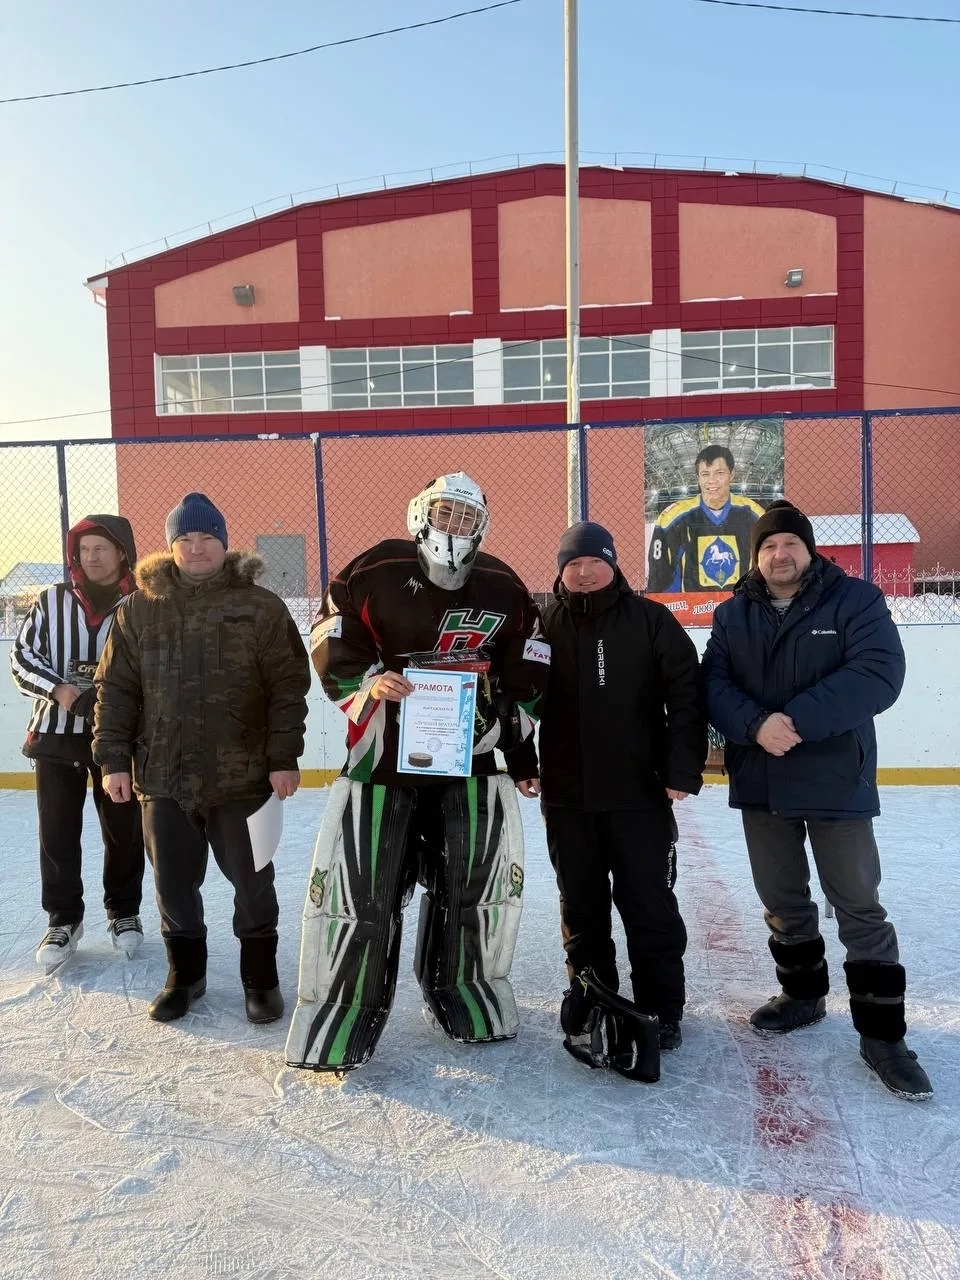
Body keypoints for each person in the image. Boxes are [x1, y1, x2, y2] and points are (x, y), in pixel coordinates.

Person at [285, 472, 548, 1074]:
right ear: (419, 513)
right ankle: (344, 1005)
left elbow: (529, 666)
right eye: (445, 512)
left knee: (472, 884)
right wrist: (368, 681)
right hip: (383, 757)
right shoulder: (375, 569)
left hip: (470, 759)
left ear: (480, 524)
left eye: (465, 516)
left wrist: (514, 738)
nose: (453, 526)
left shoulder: (504, 586)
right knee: (363, 885)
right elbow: (331, 634)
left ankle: (464, 988)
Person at [702, 500, 932, 1101]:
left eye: (790, 545)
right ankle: (802, 994)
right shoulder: (733, 615)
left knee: (857, 901)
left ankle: (883, 1035)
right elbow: (713, 686)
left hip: (835, 777)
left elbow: (879, 673)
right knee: (781, 897)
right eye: (769, 547)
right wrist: (755, 727)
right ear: (757, 557)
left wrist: (794, 722)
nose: (780, 555)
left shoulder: (854, 600)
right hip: (764, 779)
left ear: (809, 551)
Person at [92, 493, 311, 1025]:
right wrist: (112, 760)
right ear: (170, 546)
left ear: (223, 541)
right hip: (163, 777)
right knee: (172, 883)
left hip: (244, 777)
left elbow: (288, 687)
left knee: (253, 881)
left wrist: (283, 757)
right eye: (185, 539)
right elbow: (115, 691)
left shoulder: (261, 606)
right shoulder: (139, 610)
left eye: (206, 538)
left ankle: (261, 980)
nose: (196, 548)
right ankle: (184, 976)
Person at [516, 521, 707, 1078]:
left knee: (648, 906)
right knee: (581, 907)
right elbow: (516, 699)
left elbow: (687, 694)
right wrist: (524, 763)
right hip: (568, 799)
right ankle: (593, 997)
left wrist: (680, 769)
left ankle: (662, 1007)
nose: (582, 571)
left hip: (639, 795)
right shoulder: (541, 625)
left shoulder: (650, 621)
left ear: (613, 563)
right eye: (571, 563)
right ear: (560, 569)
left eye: (592, 561)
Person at [11, 515, 145, 973]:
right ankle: (64, 918)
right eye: (84, 549)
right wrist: (60, 690)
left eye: (101, 549)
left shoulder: (141, 604)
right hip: (55, 737)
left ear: (122, 553)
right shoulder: (51, 601)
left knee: (124, 829)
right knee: (58, 831)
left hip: (120, 739)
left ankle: (124, 911)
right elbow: (22, 657)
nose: (91, 557)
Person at [647, 444, 766, 592]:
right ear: (698, 478)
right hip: (691, 611)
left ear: (732, 474)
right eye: (705, 474)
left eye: (719, 473)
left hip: (743, 609)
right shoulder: (672, 519)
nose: (712, 480)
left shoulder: (755, 515)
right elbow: (659, 578)